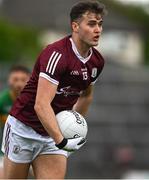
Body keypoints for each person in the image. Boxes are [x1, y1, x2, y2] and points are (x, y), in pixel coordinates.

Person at [2, 0, 107, 179]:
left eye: (100, 24)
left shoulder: (96, 62)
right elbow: (41, 105)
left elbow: (86, 96)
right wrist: (62, 140)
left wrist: (73, 129)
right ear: (75, 26)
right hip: (23, 129)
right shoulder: (56, 55)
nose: (98, 29)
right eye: (91, 24)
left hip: (52, 135)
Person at [0, 65, 30, 177]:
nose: (19, 84)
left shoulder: (36, 101)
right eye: (15, 79)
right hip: (5, 151)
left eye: (23, 80)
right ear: (9, 80)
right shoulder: (2, 101)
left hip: (32, 149)